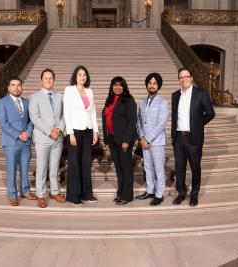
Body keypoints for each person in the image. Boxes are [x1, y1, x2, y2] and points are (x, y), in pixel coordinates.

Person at [171, 68, 215, 207]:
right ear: (179, 80)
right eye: (180, 77)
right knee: (179, 168)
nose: (183, 79)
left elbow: (210, 113)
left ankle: (194, 195)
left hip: (193, 138)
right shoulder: (175, 95)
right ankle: (181, 193)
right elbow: (174, 117)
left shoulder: (200, 93)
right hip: (178, 137)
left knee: (195, 167)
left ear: (191, 78)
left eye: (186, 77)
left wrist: (198, 124)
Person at [0, 76, 37, 206]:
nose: (16, 87)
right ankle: (13, 195)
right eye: (13, 85)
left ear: (22, 87)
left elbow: (31, 121)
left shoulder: (27, 102)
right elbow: (3, 122)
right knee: (12, 169)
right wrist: (18, 134)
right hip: (11, 141)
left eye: (19, 85)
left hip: (26, 141)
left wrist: (28, 132)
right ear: (9, 88)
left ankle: (25, 191)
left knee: (25, 168)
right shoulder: (2, 102)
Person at [29, 68, 65, 208]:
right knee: (42, 167)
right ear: (41, 80)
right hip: (43, 138)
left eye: (51, 78)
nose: (48, 80)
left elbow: (64, 116)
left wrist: (60, 129)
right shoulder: (35, 97)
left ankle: (54, 191)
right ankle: (41, 194)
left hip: (58, 138)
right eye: (46, 78)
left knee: (55, 167)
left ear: (53, 80)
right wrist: (51, 132)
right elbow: (35, 117)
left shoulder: (59, 96)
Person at [63, 65, 99, 206]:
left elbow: (93, 112)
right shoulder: (69, 90)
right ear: (75, 76)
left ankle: (87, 194)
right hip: (75, 131)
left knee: (85, 163)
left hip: (87, 131)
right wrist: (70, 133)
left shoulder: (89, 91)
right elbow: (67, 112)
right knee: (74, 163)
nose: (82, 77)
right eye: (80, 75)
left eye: (84, 75)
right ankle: (74, 196)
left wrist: (95, 131)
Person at [102, 76, 137, 205]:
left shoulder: (129, 100)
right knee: (118, 168)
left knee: (126, 168)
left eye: (120, 85)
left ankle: (127, 196)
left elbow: (133, 121)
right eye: (115, 85)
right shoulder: (109, 100)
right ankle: (120, 193)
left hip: (124, 140)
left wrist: (126, 141)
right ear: (112, 87)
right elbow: (105, 120)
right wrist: (106, 141)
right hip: (112, 139)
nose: (118, 87)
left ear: (124, 87)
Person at [135, 73, 169, 206]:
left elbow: (161, 124)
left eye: (154, 83)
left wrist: (147, 139)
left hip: (157, 142)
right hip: (144, 142)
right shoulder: (142, 103)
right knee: (148, 167)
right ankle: (150, 191)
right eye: (150, 83)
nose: (152, 86)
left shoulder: (163, 102)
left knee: (159, 169)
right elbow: (138, 122)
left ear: (158, 85)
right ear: (147, 85)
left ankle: (159, 194)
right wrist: (141, 137)